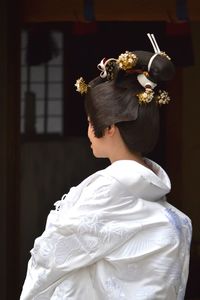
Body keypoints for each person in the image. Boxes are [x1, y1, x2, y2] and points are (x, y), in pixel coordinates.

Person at [20, 34, 192, 300]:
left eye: (91, 123)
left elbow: (51, 255)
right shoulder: (174, 218)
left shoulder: (106, 190)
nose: (88, 132)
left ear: (109, 128)